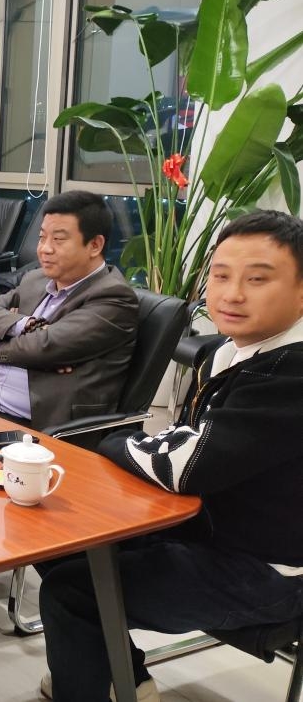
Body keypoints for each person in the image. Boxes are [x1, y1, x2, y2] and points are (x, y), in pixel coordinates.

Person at [38, 210, 303, 702]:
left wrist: (113, 442)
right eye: (220, 276)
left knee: (72, 592)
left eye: (257, 279)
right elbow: (185, 442)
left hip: (268, 570)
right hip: (206, 527)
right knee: (59, 540)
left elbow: (186, 464)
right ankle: (122, 680)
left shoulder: (291, 372)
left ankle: (98, 682)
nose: (232, 294)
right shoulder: (228, 351)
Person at [0, 190, 139, 633]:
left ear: (95, 244)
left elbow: (46, 347)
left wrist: (13, 342)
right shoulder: (37, 280)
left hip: (45, 428)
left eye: (59, 238)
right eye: (42, 237)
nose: (45, 248)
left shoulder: (113, 299)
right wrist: (22, 327)